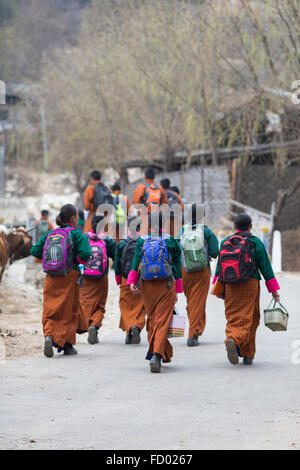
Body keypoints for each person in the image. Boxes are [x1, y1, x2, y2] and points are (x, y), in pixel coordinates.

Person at [212, 213, 280, 366]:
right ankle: (239, 345)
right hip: (250, 283)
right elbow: (266, 267)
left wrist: (217, 285)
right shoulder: (255, 242)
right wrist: (273, 289)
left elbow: (219, 267)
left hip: (229, 284)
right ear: (250, 226)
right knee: (251, 316)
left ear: (234, 227)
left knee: (233, 315)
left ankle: (239, 346)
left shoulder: (225, 241)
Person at [30, 204, 92, 357]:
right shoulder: (76, 234)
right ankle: (68, 346)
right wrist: (75, 259)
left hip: (51, 276)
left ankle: (49, 336)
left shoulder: (50, 234)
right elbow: (85, 254)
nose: (77, 218)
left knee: (51, 308)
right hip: (69, 275)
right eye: (76, 216)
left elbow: (35, 251)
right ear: (72, 218)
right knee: (68, 310)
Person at [127, 211, 183, 373]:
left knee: (152, 318)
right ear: (164, 224)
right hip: (166, 284)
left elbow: (136, 262)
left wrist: (132, 282)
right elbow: (177, 267)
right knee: (163, 319)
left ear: (149, 225)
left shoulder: (142, 242)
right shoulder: (171, 241)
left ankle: (156, 352)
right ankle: (157, 355)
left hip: (147, 284)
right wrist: (177, 289)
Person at [179, 204, 219, 347]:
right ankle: (193, 334)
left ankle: (196, 330)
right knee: (199, 301)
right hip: (202, 271)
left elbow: (177, 250)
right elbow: (215, 251)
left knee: (192, 301)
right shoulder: (206, 231)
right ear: (203, 216)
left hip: (185, 271)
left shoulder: (182, 230)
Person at [77, 214, 117, 345]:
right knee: (100, 304)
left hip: (85, 276)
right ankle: (94, 326)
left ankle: (84, 325)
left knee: (83, 302)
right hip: (101, 277)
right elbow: (117, 256)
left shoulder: (83, 238)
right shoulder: (107, 240)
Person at [114, 216, 146, 344]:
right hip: (140, 278)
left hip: (125, 278)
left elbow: (117, 263)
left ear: (128, 227)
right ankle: (136, 326)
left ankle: (128, 333)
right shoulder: (143, 241)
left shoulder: (122, 243)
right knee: (140, 305)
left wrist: (118, 279)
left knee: (125, 305)